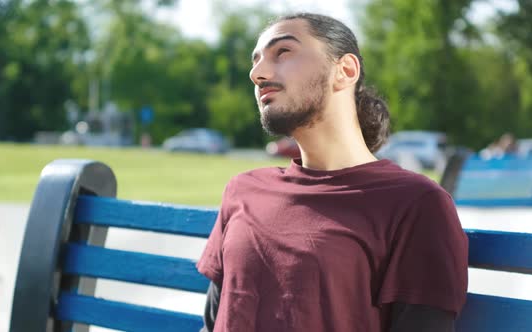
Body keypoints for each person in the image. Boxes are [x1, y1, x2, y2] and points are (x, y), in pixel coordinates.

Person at [196, 13, 468, 332]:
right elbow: (214, 322)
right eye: (255, 61)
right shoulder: (243, 189)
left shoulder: (416, 203)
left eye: (283, 52)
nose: (257, 73)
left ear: (345, 70)